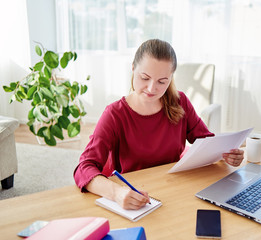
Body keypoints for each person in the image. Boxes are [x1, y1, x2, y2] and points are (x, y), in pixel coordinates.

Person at [73, 39, 244, 210]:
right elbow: (84, 168)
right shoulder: (114, 114)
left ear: (171, 78)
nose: (151, 88)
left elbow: (207, 142)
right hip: (136, 197)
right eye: (144, 78)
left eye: (162, 81)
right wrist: (117, 192)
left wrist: (227, 154)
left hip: (174, 191)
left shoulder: (180, 102)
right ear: (133, 68)